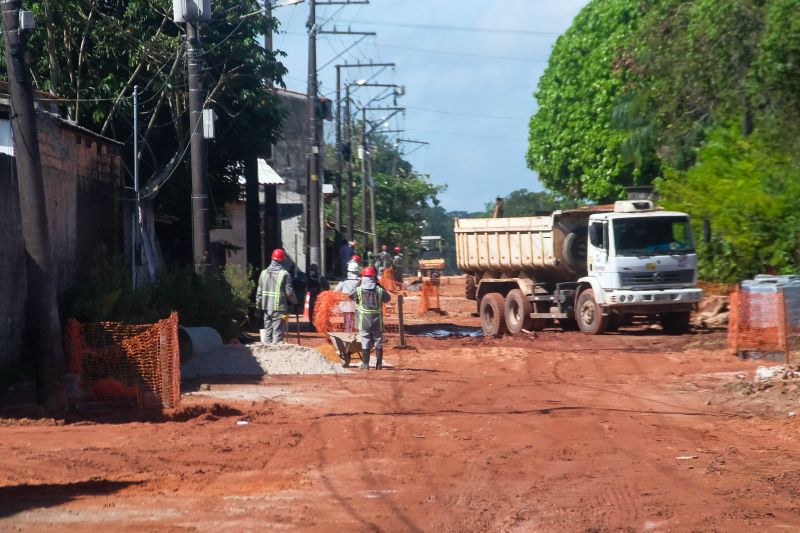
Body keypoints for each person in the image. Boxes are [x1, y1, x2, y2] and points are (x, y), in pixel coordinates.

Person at [349, 266, 391, 369]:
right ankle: (379, 365)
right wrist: (380, 286)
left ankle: (365, 364)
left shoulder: (359, 290)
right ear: (374, 277)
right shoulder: (379, 290)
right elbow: (387, 299)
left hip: (364, 320)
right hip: (377, 320)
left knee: (365, 340)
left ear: (363, 277)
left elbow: (350, 295)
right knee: (378, 340)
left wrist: (358, 284)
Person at [255, 249, 298, 344]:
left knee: (268, 333)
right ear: (282, 260)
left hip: (266, 309)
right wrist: (295, 302)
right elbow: (289, 292)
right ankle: (276, 351)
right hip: (279, 309)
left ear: (272, 259)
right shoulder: (285, 274)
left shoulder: (263, 273)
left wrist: (258, 306)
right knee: (278, 333)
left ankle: (267, 351)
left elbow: (259, 292)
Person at [334, 261, 360, 332]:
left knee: (347, 320)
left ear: (349, 271)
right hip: (357, 304)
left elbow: (336, 291)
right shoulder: (360, 281)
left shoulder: (344, 281)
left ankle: (348, 333)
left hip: (345, 304)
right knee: (356, 320)